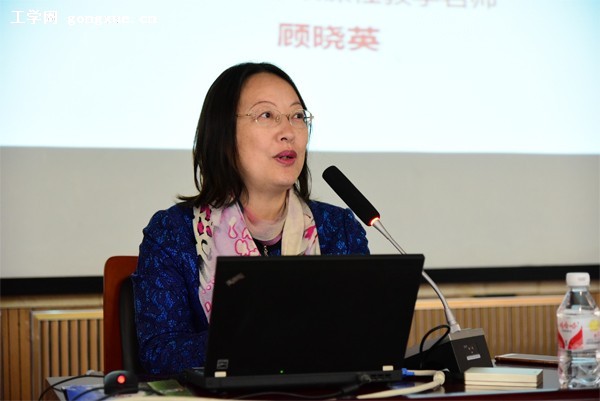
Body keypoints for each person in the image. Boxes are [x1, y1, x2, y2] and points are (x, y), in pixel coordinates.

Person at [132, 62, 369, 375]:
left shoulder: (339, 230)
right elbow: (158, 355)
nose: (289, 132)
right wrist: (254, 334)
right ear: (224, 134)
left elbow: (366, 341)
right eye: (266, 115)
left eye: (298, 116)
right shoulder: (173, 233)